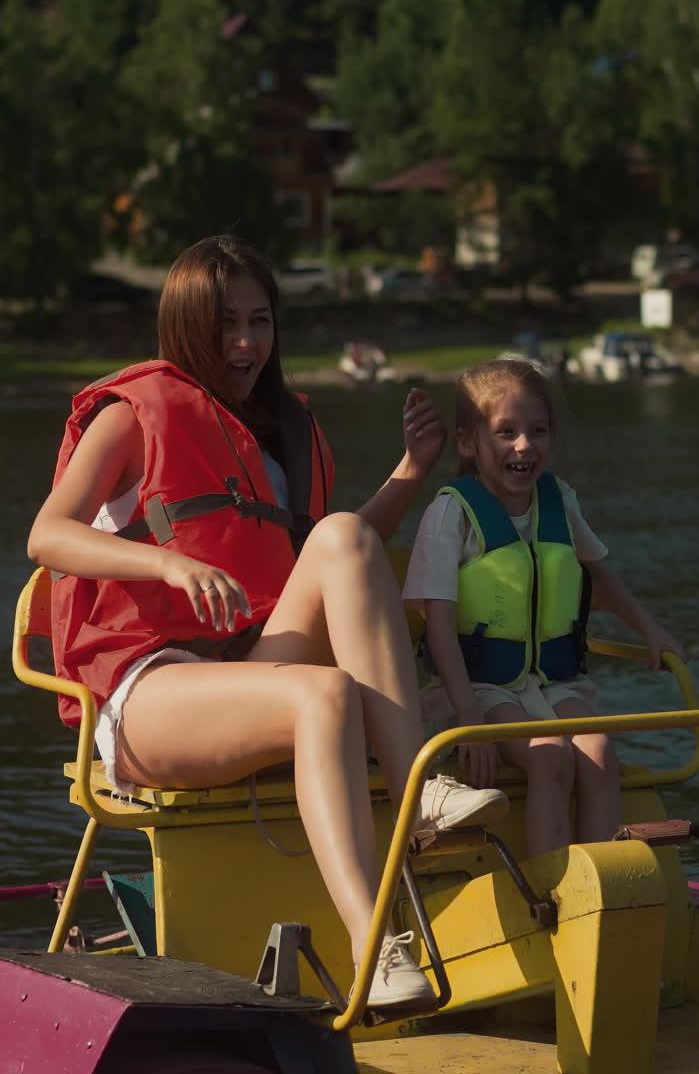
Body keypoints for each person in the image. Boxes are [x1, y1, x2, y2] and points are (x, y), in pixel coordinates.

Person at [27, 235, 508, 1011]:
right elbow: (46, 535)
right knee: (319, 696)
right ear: (186, 325)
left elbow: (329, 562)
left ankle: (418, 790)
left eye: (260, 320)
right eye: (225, 323)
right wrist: (169, 564)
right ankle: (375, 943)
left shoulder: (285, 429)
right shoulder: (132, 414)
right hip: (149, 690)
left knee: (344, 535)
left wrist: (409, 475)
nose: (246, 342)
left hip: (247, 661)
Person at [402, 356, 685, 858]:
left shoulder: (559, 500)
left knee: (598, 752)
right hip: (478, 688)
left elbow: (595, 575)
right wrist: (470, 722)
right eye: (505, 431)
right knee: (550, 756)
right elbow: (440, 626)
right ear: (469, 442)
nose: (524, 445)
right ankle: (549, 888)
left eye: (538, 430)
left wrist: (650, 629)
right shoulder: (452, 514)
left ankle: (601, 881)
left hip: (553, 682)